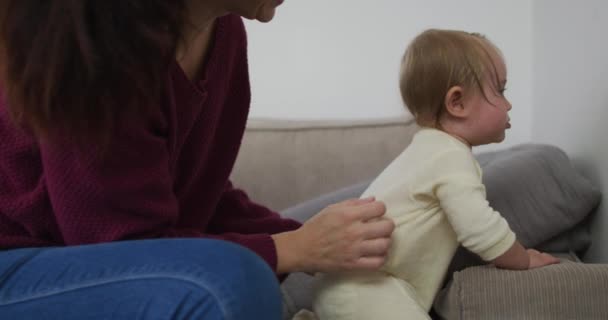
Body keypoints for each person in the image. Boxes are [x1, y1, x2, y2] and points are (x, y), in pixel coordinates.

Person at [0, 1, 395, 319]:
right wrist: (292, 248)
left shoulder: (224, 34)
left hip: (142, 255)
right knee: (232, 282)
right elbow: (121, 247)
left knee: (385, 206)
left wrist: (313, 238)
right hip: (23, 267)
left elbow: (201, 195)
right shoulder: (96, 46)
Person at [312, 29, 561, 320]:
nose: (508, 104)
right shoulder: (450, 157)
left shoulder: (431, 149)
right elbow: (478, 227)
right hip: (364, 288)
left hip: (352, 285)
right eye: (501, 91)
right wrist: (523, 258)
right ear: (457, 103)